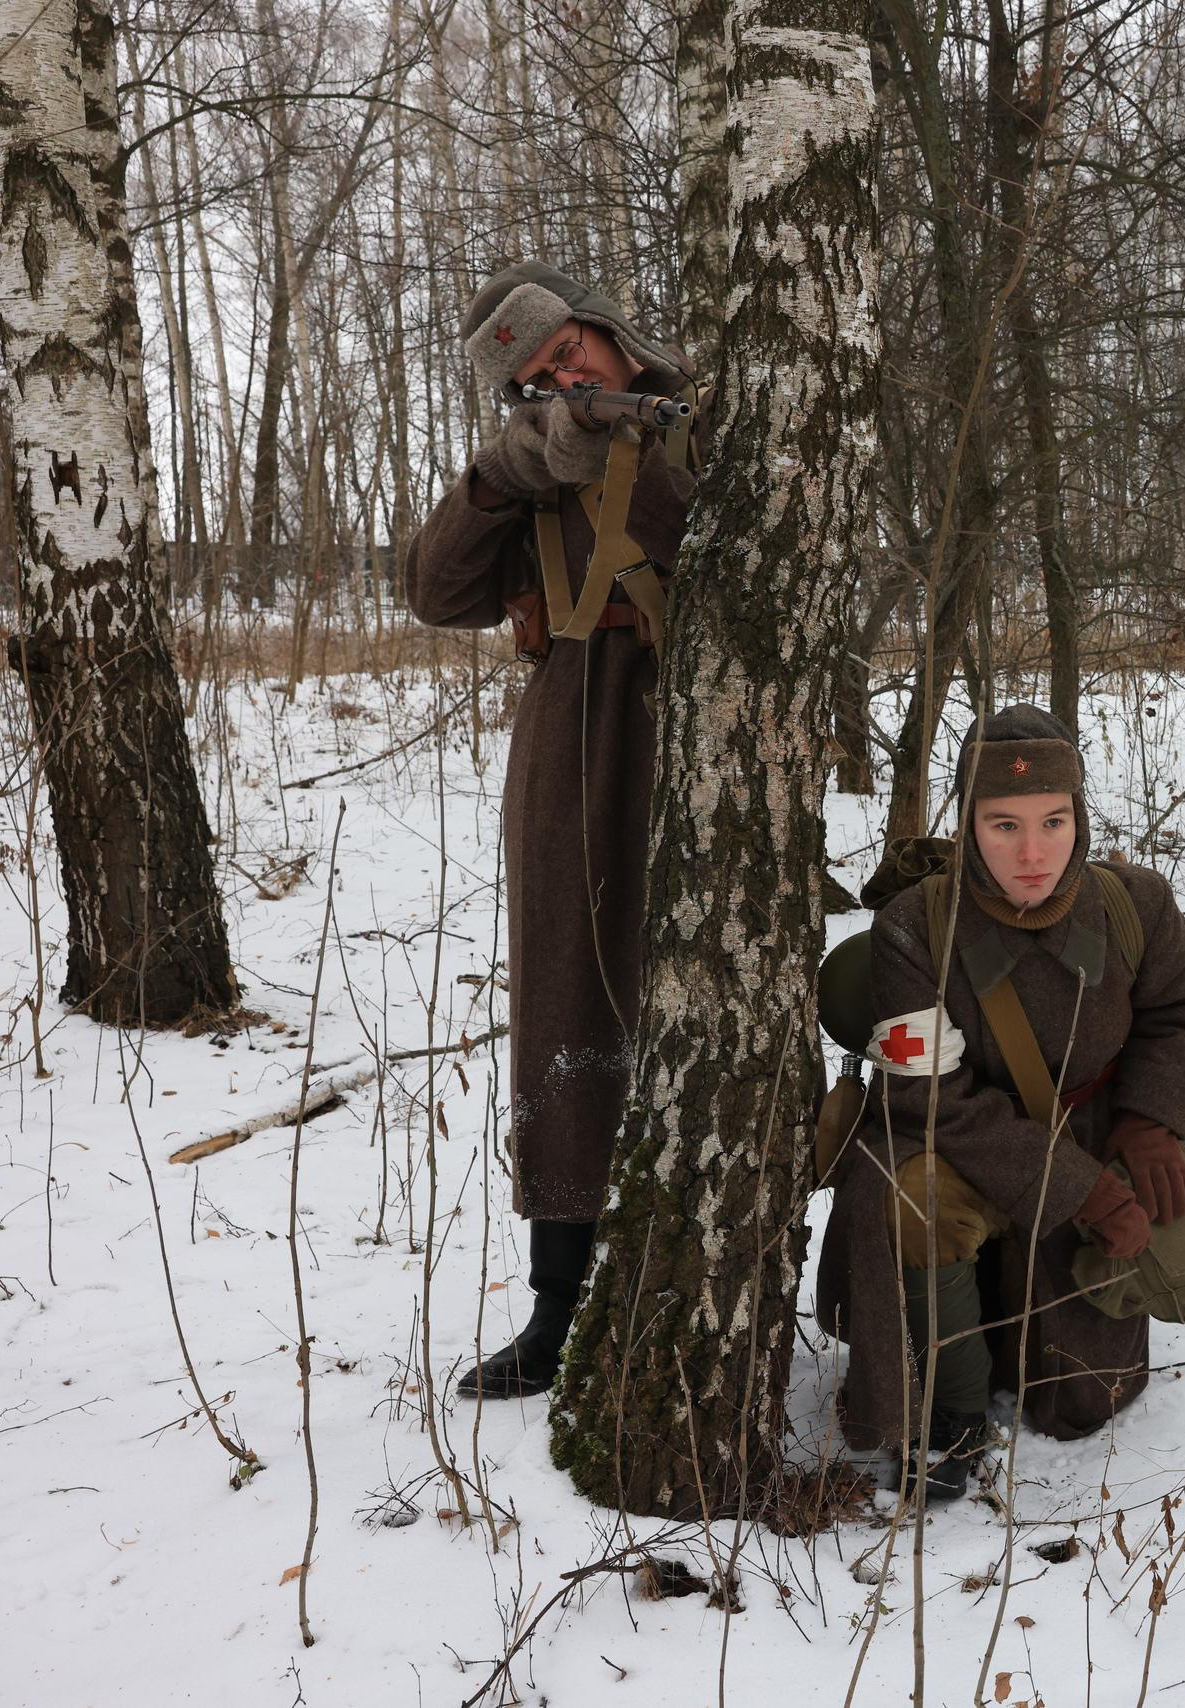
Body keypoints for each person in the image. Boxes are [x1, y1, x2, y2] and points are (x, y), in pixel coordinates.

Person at [401, 261, 701, 1398]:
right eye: (531, 378)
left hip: (698, 728)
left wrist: (634, 453)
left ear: (603, 326)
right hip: (568, 740)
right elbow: (435, 593)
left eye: (564, 351)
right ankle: (559, 1304)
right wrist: (503, 472)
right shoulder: (527, 465)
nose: (560, 375)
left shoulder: (697, 415)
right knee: (564, 1005)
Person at [815, 705, 1185, 1504]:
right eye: (1003, 825)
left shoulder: (1135, 907)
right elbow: (933, 1097)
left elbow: (1183, 1010)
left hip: (1093, 1125)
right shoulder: (912, 930)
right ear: (967, 824)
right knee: (913, 1199)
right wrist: (1085, 1190)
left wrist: (1149, 1122)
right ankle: (953, 1411)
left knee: (1082, 1400)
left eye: (1054, 821)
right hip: (953, 1138)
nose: (1033, 853)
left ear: (1080, 816)